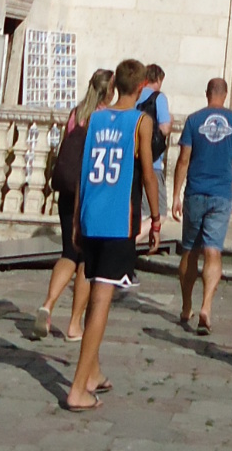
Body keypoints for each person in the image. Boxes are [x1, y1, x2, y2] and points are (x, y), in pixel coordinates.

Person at [65, 58, 157, 414]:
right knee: (103, 299)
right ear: (142, 87)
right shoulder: (140, 122)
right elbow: (147, 172)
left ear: (115, 84)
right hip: (118, 220)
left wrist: (77, 220)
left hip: (91, 215)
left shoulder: (96, 118)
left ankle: (93, 371)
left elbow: (84, 172)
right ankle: (78, 388)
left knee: (95, 294)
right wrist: (156, 217)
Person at [34, 67, 113, 341]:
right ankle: (74, 324)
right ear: (109, 91)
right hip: (90, 193)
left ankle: (47, 305)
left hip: (67, 190)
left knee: (69, 251)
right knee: (86, 260)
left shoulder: (76, 114)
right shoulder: (104, 118)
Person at [171, 77, 232, 336]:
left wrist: (176, 195)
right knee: (213, 251)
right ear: (225, 95)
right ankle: (206, 306)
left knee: (190, 250)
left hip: (195, 191)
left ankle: (186, 306)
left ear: (207, 93)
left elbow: (183, 160)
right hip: (221, 193)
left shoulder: (194, 120)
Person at [134, 65, 171, 243]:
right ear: (159, 79)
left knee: (138, 210)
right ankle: (132, 241)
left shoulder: (134, 95)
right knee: (160, 212)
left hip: (134, 160)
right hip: (153, 162)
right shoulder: (158, 97)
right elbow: (165, 128)